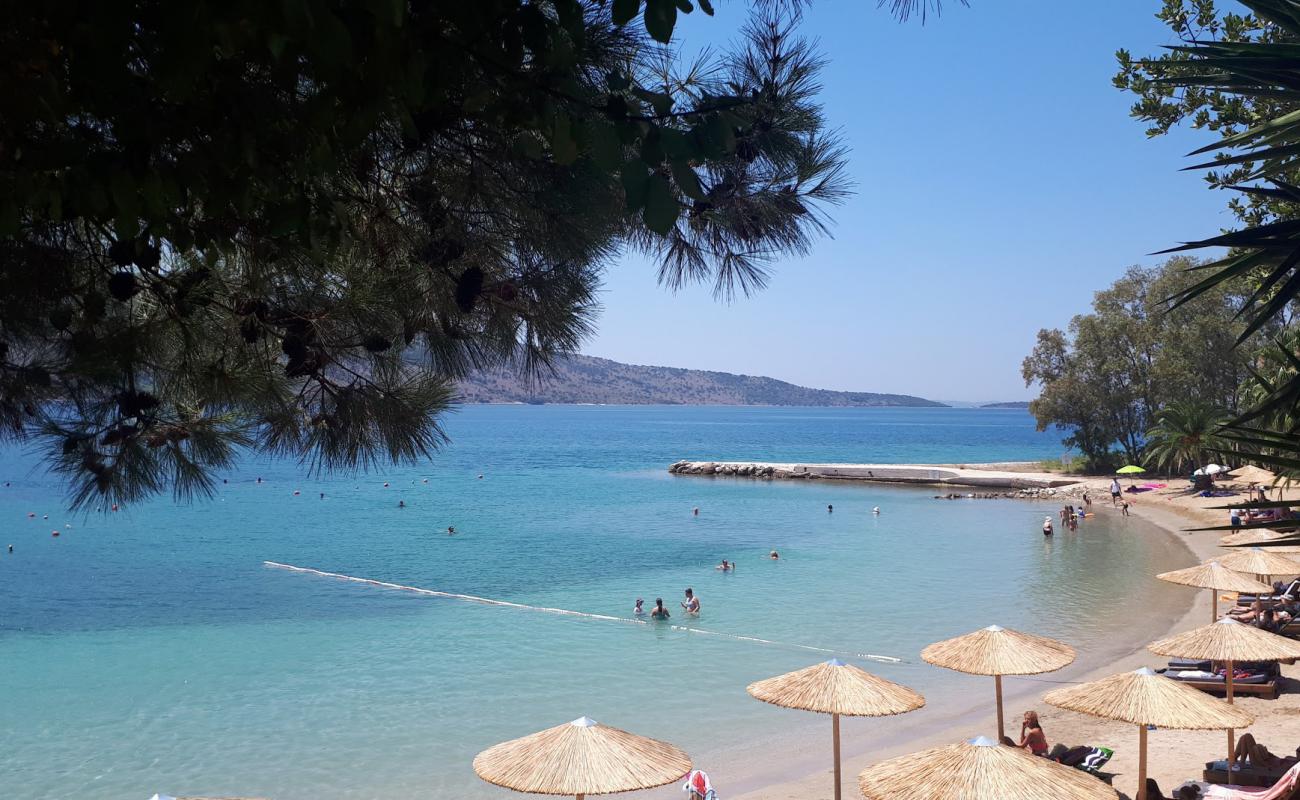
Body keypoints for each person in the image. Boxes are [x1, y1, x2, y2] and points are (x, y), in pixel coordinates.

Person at [1230, 732, 1300, 771]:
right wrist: (1268, 753)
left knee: (1247, 737)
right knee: (1245, 737)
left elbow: (1273, 768)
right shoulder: (1294, 761)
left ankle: (1239, 762)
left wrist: (1265, 760)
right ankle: (1235, 758)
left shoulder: (1295, 766)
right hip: (1266, 759)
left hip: (1261, 763)